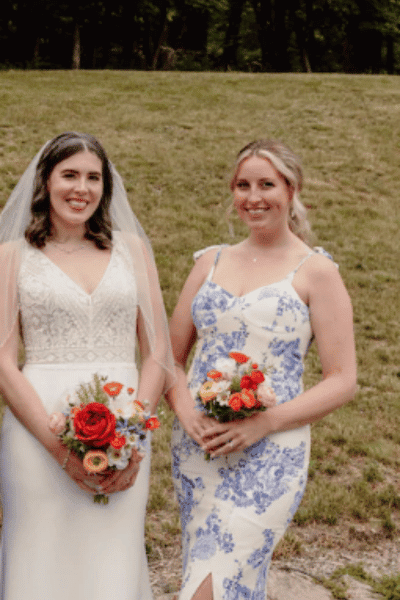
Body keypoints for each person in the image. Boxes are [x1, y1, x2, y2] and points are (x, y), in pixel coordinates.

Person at [167, 139, 357, 600]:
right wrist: (187, 412)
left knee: (213, 586)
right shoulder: (209, 263)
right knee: (223, 578)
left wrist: (265, 422)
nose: (254, 197)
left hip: (272, 452)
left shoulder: (317, 272)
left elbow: (343, 379)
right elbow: (168, 359)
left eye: (266, 184)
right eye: (243, 185)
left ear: (291, 190)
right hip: (200, 448)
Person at [0, 132, 175, 600]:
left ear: (106, 187)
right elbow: (2, 361)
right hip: (37, 426)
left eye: (93, 177)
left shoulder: (133, 249)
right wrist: (59, 449)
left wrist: (134, 434)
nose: (82, 188)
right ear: (46, 182)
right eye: (70, 175)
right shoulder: (12, 256)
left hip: (124, 425)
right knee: (41, 553)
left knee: (110, 556)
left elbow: (157, 351)